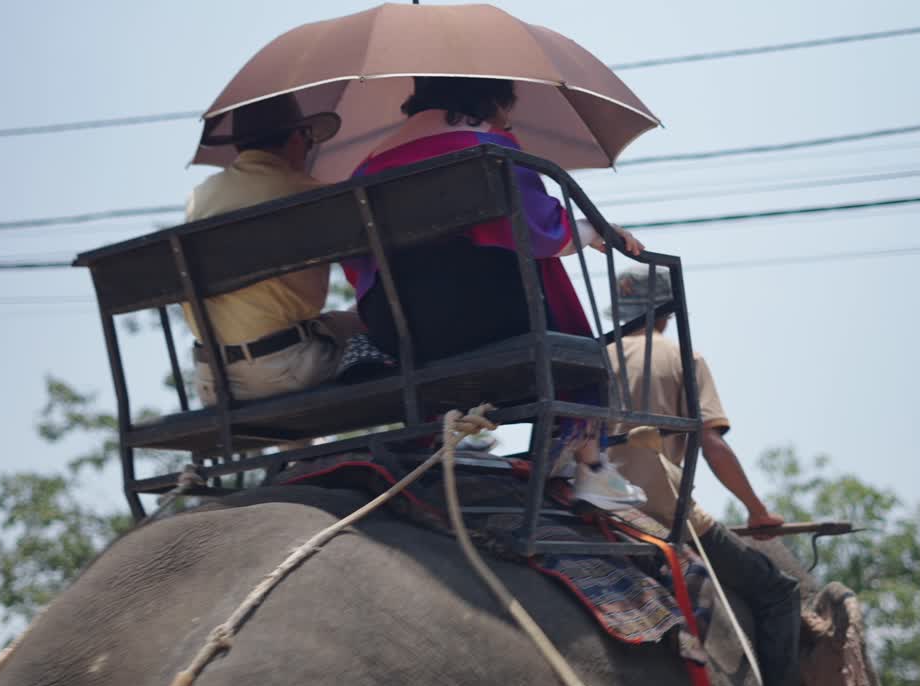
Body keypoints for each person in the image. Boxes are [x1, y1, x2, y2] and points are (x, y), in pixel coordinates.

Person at [339, 76, 646, 509]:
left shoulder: (367, 167)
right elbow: (542, 234)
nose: (509, 117)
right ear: (490, 100)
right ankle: (592, 468)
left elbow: (357, 264)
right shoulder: (489, 146)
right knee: (583, 355)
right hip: (496, 324)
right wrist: (597, 230)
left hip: (405, 336)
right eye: (508, 105)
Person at [605, 267, 803, 686]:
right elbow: (711, 444)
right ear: (666, 314)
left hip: (593, 503)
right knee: (779, 592)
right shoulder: (682, 359)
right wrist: (758, 512)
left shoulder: (594, 355)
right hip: (661, 512)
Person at [185, 94, 353, 407]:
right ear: (294, 137)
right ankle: (420, 442)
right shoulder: (308, 193)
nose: (309, 149)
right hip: (288, 370)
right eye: (308, 138)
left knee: (300, 335)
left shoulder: (199, 197)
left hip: (212, 381)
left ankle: (303, 457)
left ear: (239, 147)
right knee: (381, 328)